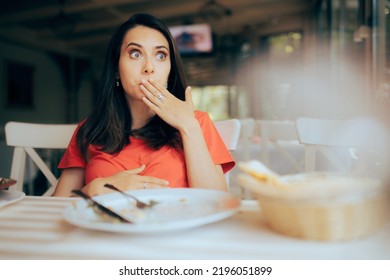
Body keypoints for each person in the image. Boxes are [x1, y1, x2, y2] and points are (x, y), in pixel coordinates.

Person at [53, 13, 235, 197]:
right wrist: (93, 189)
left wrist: (188, 127)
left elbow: (218, 201)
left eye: (161, 55)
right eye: (135, 54)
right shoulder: (90, 129)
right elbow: (54, 208)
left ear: (170, 70)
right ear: (116, 69)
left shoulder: (197, 122)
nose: (149, 67)